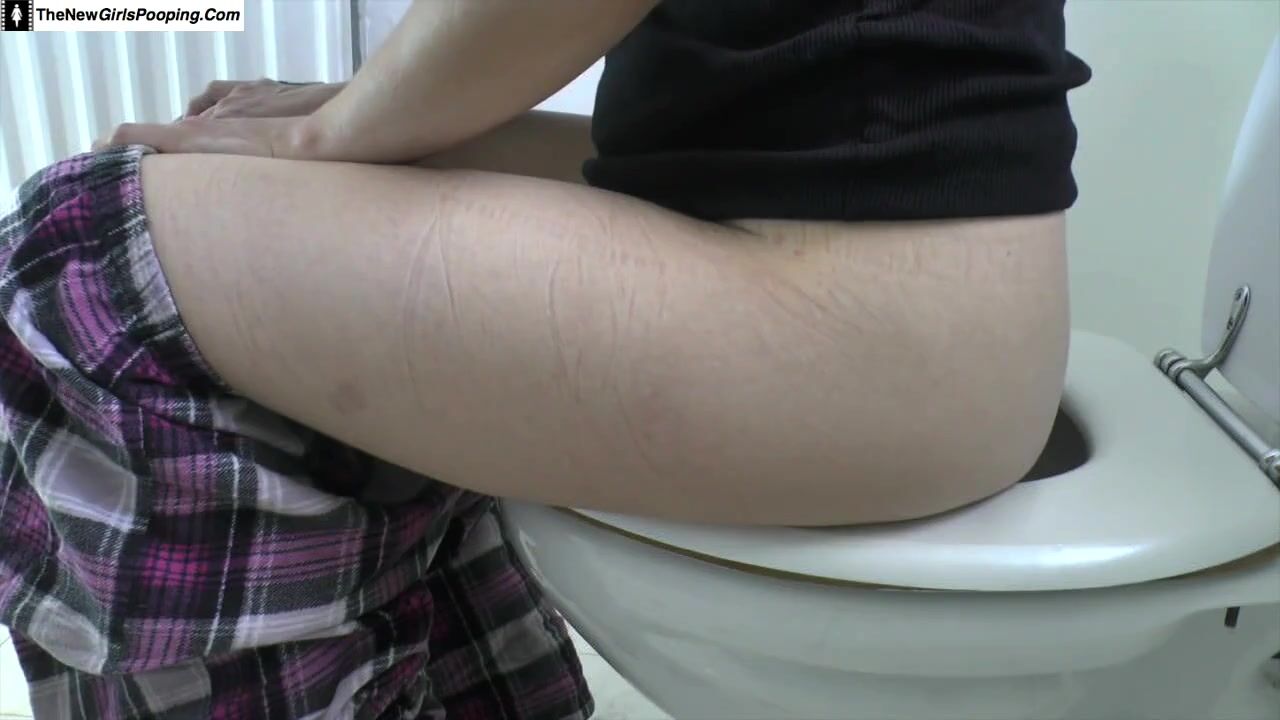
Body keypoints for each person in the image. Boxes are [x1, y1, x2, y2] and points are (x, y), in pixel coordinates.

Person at [0, 0, 1090, 717]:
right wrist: (348, 128)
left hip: (857, 311)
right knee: (307, 217)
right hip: (872, 263)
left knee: (81, 258)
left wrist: (321, 135)